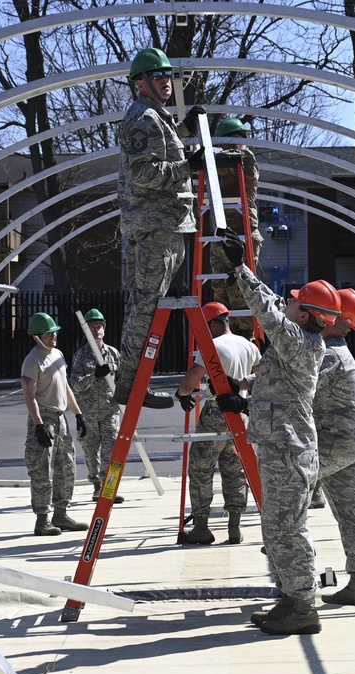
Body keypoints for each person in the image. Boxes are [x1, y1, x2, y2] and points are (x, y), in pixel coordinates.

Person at [216, 237, 342, 636]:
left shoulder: (299, 342)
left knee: (287, 528)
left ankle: (304, 605)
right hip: (282, 444)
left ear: (305, 315)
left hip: (288, 449)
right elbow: (276, 314)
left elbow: (270, 315)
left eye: (295, 302)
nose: (287, 303)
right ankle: (291, 597)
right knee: (277, 527)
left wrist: (241, 272)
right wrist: (247, 397)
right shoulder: (300, 340)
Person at [115, 46, 208, 409]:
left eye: (168, 75)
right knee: (145, 307)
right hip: (156, 227)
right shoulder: (143, 119)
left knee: (147, 305)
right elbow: (144, 173)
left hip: (166, 225)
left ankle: (132, 380)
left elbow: (163, 151)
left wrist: (185, 127)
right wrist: (190, 166)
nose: (166, 81)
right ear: (140, 83)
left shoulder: (157, 117)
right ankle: (130, 383)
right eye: (157, 76)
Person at [174, 301, 260, 545]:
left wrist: (182, 394)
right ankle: (234, 527)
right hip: (241, 412)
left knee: (201, 469)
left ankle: (201, 527)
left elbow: (191, 380)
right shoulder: (247, 344)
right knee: (235, 469)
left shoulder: (212, 346)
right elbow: (260, 375)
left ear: (211, 324)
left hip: (216, 412)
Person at [312, 288, 355, 607]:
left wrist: (249, 401)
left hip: (334, 446)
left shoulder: (329, 354)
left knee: (284, 490)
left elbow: (299, 389)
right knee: (352, 514)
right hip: (349, 445)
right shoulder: (338, 351)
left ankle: (294, 573)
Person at [22, 312, 90, 536]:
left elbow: (66, 387)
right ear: (36, 337)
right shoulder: (33, 361)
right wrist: (39, 425)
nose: (53, 337)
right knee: (41, 469)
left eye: (54, 333)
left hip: (61, 419)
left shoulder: (58, 355)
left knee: (66, 466)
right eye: (48, 334)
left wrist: (78, 414)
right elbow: (29, 396)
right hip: (44, 418)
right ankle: (43, 520)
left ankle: (61, 514)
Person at [210, 117, 264, 340]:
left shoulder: (244, 158)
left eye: (242, 137)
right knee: (221, 285)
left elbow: (228, 162)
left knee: (240, 283)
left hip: (242, 232)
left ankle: (244, 336)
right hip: (220, 231)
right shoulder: (219, 161)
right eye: (236, 137)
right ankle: (224, 335)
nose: (241, 142)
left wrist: (200, 156)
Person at [69, 308, 124, 504]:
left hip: (110, 411)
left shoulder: (113, 353)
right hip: (89, 413)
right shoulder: (80, 356)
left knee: (112, 452)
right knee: (91, 453)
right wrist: (94, 376)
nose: (97, 331)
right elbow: (74, 384)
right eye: (93, 327)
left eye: (99, 327)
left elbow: (121, 380)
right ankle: (97, 486)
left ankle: (110, 488)